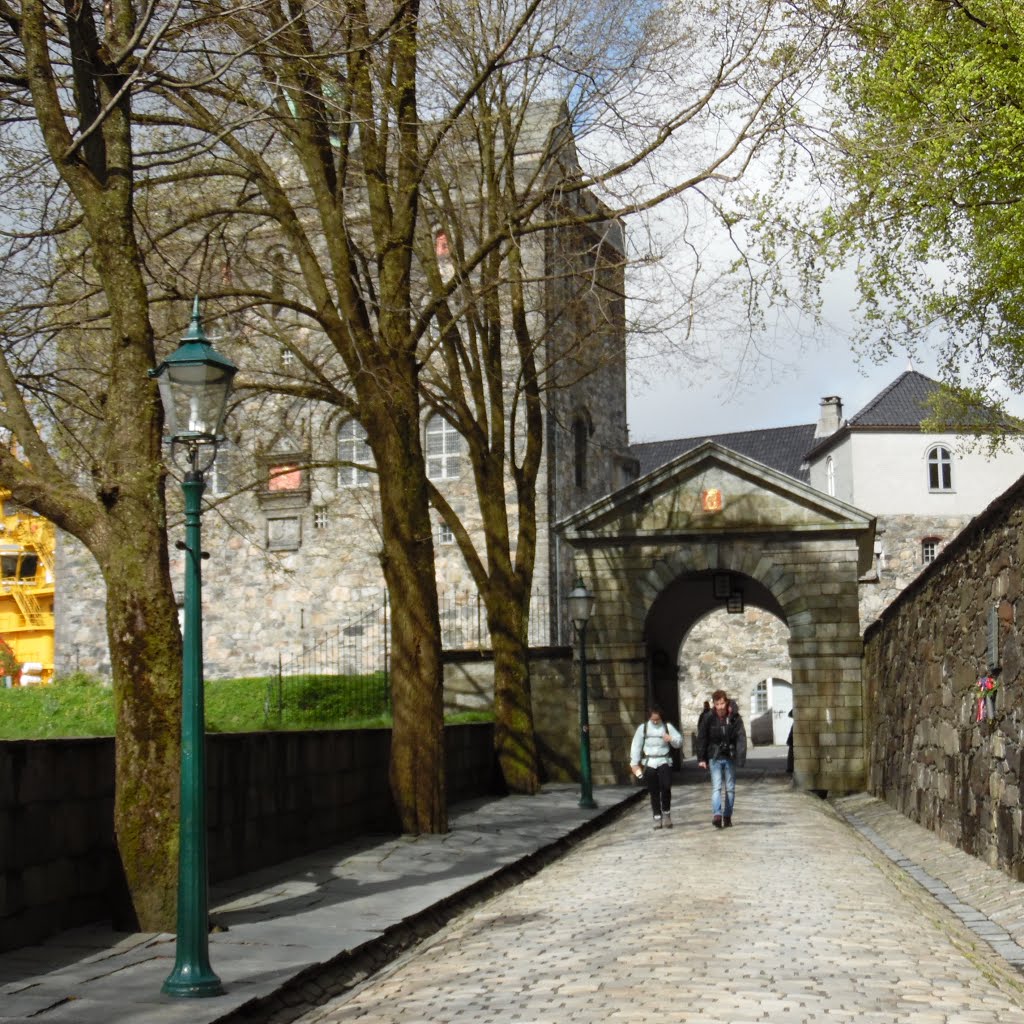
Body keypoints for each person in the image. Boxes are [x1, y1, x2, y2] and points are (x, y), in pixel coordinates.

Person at [696, 689, 747, 828]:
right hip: (715, 755)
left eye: (722, 703)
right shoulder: (708, 717)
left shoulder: (735, 717)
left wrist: (741, 757)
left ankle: (727, 815)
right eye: (717, 704)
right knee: (716, 787)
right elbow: (702, 737)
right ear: (714, 704)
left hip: (729, 755)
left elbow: (741, 737)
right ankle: (717, 815)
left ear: (726, 702)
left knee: (730, 788)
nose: (720, 707)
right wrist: (701, 758)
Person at [629, 705, 683, 830]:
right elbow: (636, 746)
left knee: (666, 787)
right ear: (649, 718)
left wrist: (671, 739)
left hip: (664, 760)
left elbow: (679, 742)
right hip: (650, 762)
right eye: (653, 719)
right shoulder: (643, 729)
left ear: (661, 718)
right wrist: (634, 763)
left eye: (657, 720)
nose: (655, 722)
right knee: (653, 791)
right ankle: (657, 817)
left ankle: (666, 814)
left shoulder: (667, 727)